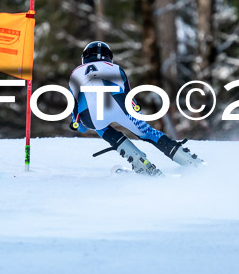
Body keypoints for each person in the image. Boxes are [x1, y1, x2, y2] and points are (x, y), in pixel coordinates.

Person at [68, 41, 203, 176]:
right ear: (109, 56)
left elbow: (74, 105)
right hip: (120, 105)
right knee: (149, 134)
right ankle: (190, 161)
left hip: (90, 117)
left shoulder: (75, 73)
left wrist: (80, 125)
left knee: (100, 127)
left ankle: (140, 162)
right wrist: (137, 116)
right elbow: (128, 95)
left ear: (84, 57)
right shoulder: (115, 68)